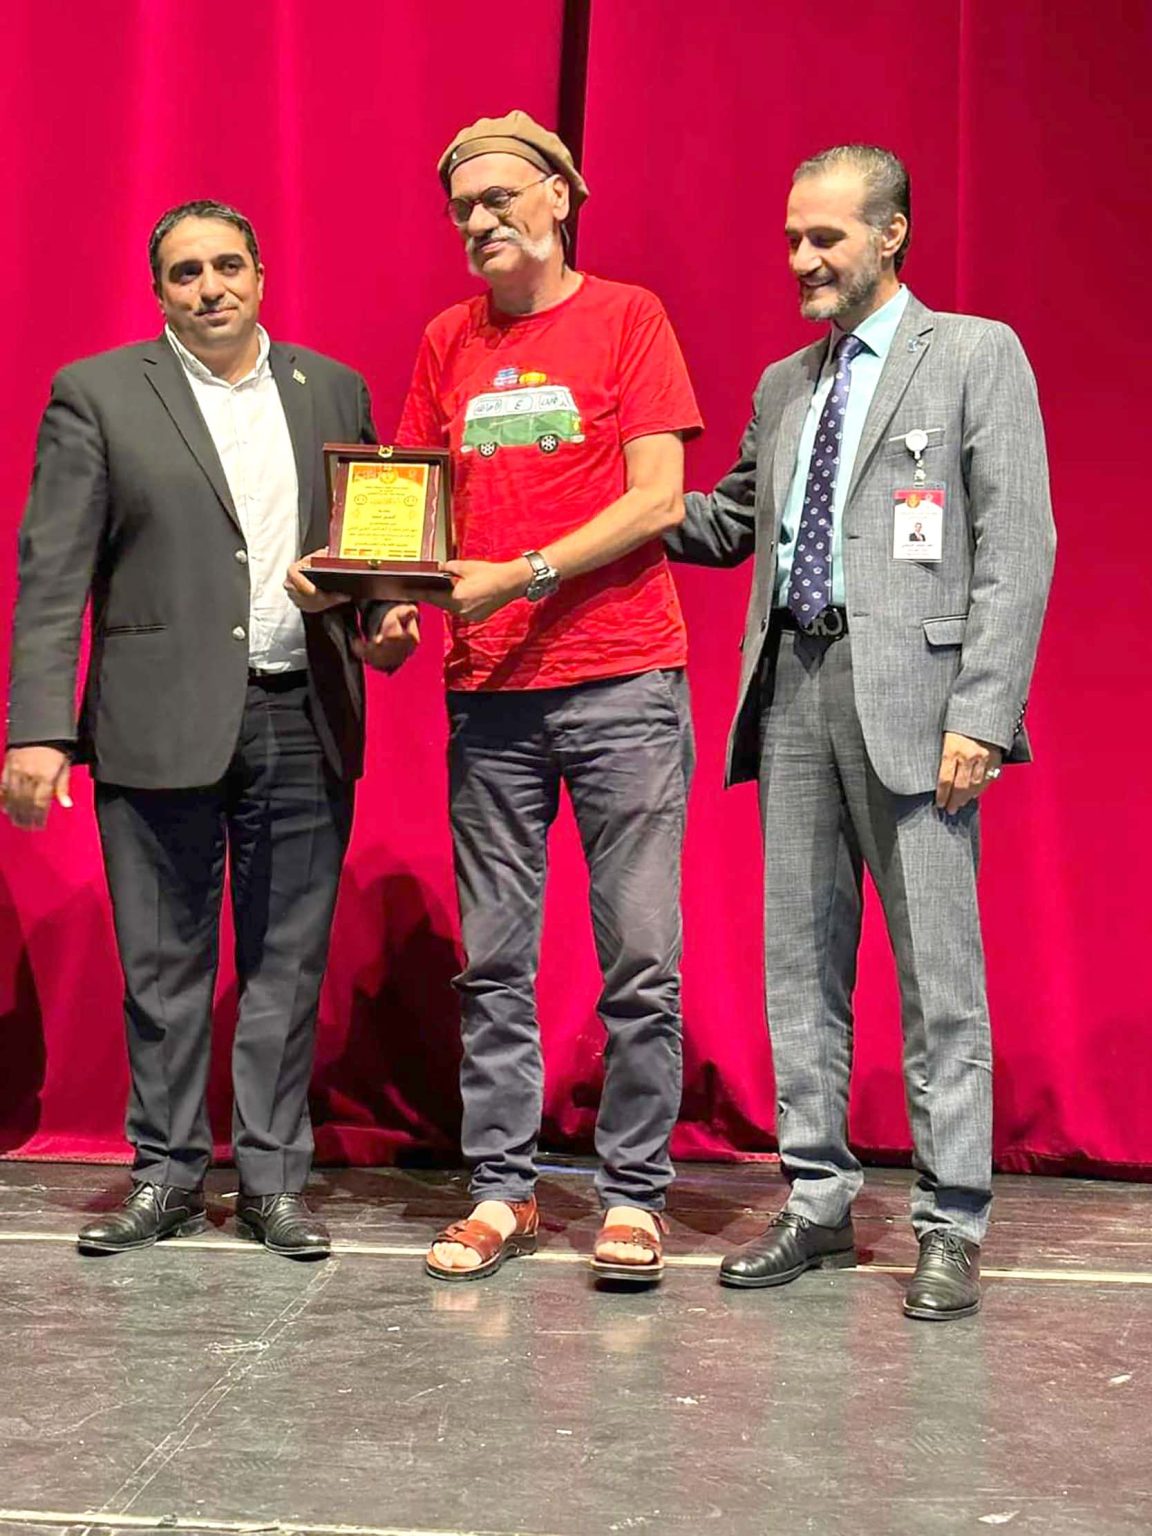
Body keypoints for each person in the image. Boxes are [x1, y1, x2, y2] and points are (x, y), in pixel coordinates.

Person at [291, 110, 701, 1284]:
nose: (479, 221)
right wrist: (384, 603)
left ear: (560, 197)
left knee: (640, 960)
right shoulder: (448, 341)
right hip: (490, 697)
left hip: (622, 679)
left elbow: (660, 499)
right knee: (495, 962)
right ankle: (503, 1191)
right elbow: (411, 512)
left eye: (500, 197)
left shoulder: (629, 317)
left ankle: (633, 1195)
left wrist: (520, 574)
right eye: (462, 208)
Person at [666, 145, 1054, 1319]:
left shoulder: (974, 353)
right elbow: (731, 521)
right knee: (799, 962)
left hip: (919, 706)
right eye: (792, 237)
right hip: (793, 687)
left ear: (891, 234)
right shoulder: (786, 383)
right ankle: (817, 1198)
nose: (801, 258)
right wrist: (605, 497)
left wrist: (982, 712)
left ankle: (951, 1220)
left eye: (825, 237)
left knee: (940, 977)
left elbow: (1018, 543)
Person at [2, 200, 417, 1258]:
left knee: (287, 963)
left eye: (227, 265)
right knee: (162, 965)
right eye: (185, 273)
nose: (210, 287)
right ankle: (168, 1174)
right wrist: (38, 728)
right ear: (159, 292)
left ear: (261, 275)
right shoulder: (97, 393)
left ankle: (273, 1180)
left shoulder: (333, 389)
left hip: (302, 713)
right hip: (153, 718)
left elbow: (371, 549)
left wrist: (385, 618)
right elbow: (53, 573)